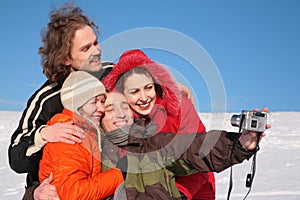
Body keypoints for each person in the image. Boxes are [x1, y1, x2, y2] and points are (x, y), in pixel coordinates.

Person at [8, 4, 193, 199]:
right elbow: (16, 157)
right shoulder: (47, 99)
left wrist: (164, 83)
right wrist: (44, 133)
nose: (96, 51)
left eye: (96, 43)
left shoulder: (109, 73)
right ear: (65, 59)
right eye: (86, 48)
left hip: (105, 184)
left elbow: (139, 76)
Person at [102, 49, 270, 199]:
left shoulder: (180, 107)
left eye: (148, 88)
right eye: (135, 91)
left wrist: (238, 144)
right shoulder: (126, 123)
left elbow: (196, 151)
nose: (144, 97)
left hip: (196, 187)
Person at [38, 71, 124, 200]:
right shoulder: (69, 135)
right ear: (77, 104)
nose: (101, 108)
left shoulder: (87, 132)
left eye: (102, 102)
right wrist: (120, 175)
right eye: (94, 102)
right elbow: (74, 193)